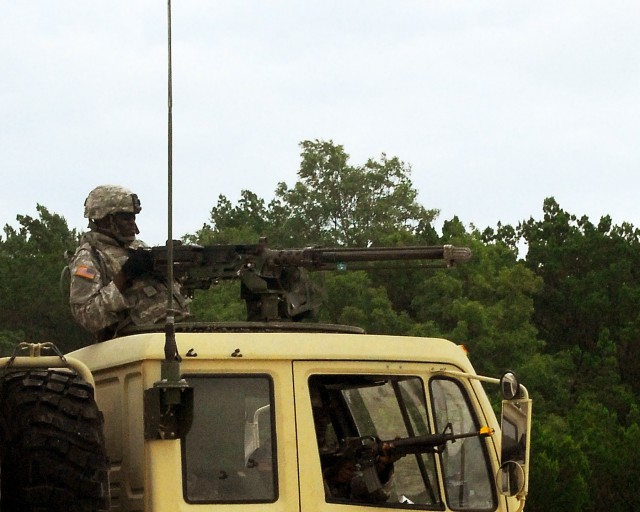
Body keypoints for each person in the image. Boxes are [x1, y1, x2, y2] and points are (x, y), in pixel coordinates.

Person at [68, 184, 190, 341]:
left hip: (175, 334)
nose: (132, 222)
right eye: (125, 217)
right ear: (105, 219)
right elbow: (88, 316)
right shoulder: (89, 257)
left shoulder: (140, 248)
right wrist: (124, 277)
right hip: (130, 346)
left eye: (133, 217)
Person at [310, 383, 396, 503]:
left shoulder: (335, 452)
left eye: (325, 414)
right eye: (315, 415)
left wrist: (381, 468)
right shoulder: (284, 454)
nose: (323, 421)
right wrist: (332, 478)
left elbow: (373, 496)